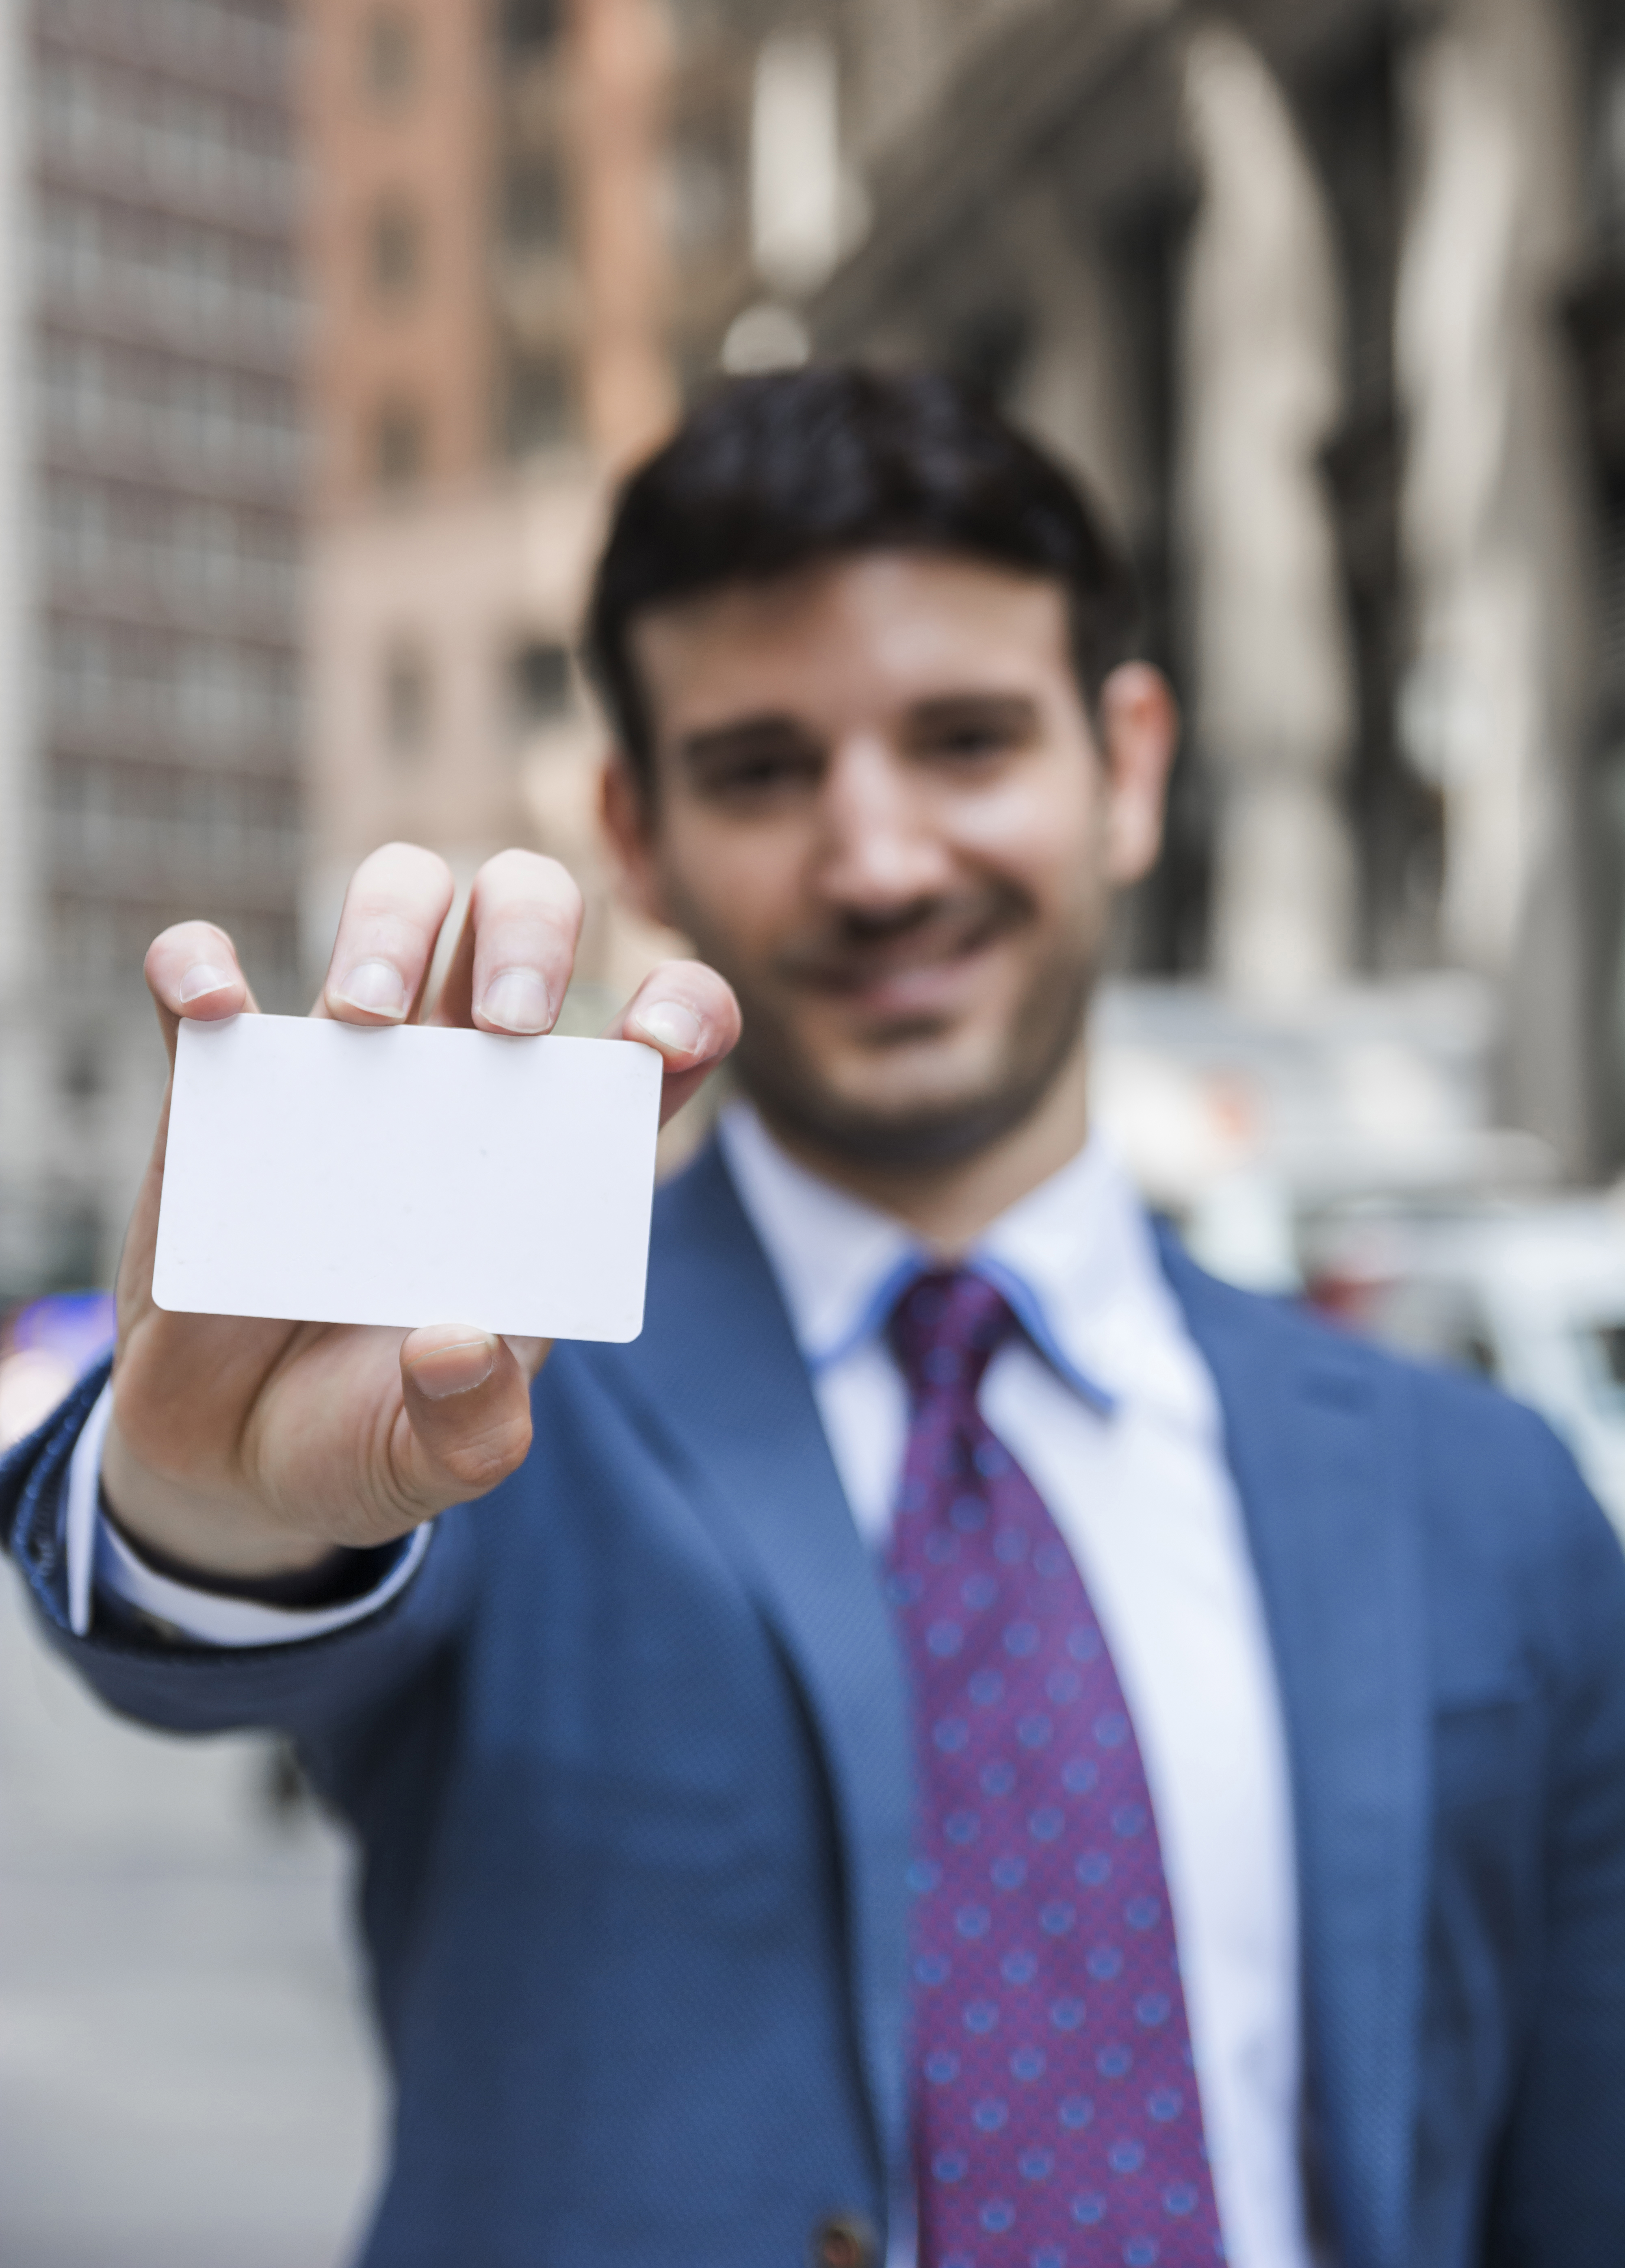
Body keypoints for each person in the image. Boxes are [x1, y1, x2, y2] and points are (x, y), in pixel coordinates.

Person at [5, 368, 1625, 2268]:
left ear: (1127, 766)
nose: (878, 863)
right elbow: (221, 1631)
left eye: (964, 741)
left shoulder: (1489, 1499)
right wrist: (205, 1516)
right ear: (636, 831)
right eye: (764, 770)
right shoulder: (495, 1400)